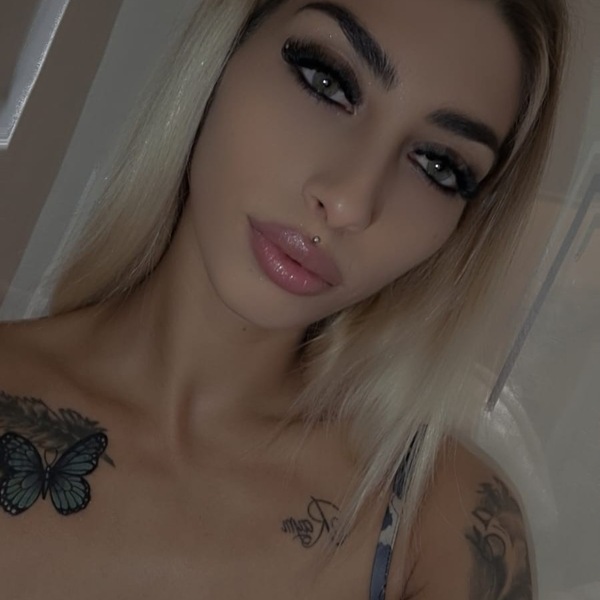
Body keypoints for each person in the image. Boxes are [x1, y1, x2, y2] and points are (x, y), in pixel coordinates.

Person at [0, 0, 568, 598]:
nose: (349, 202)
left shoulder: (446, 528)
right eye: (327, 82)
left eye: (437, 164)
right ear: (225, 51)